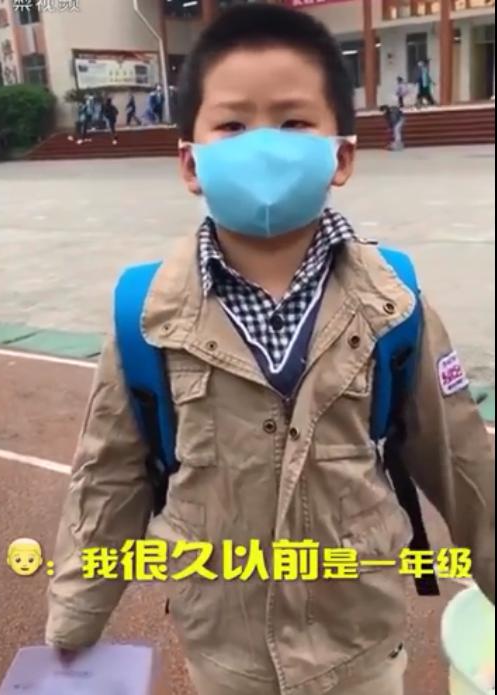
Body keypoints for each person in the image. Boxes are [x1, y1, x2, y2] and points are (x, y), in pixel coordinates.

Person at [46, 5, 495, 695]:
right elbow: (110, 475)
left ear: (341, 156)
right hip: (226, 656)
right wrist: (77, 613)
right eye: (231, 125)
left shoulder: (393, 301)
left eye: (292, 123)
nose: (262, 145)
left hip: (361, 650)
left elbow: (460, 461)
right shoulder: (146, 313)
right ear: (191, 163)